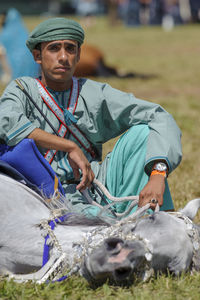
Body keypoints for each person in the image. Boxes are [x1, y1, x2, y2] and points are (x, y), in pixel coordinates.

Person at [0, 17, 182, 218]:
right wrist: (69, 146)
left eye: (70, 49)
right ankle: (120, 224)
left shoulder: (95, 92)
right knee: (98, 223)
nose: (63, 57)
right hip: (39, 193)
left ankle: (145, 216)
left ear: (78, 56)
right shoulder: (22, 90)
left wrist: (157, 174)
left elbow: (159, 116)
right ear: (38, 56)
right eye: (54, 48)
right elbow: (7, 124)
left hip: (95, 186)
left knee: (142, 132)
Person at [0, 8, 40, 84]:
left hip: (13, 73)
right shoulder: (26, 33)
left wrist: (7, 74)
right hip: (32, 74)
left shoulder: (5, 34)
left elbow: (1, 53)